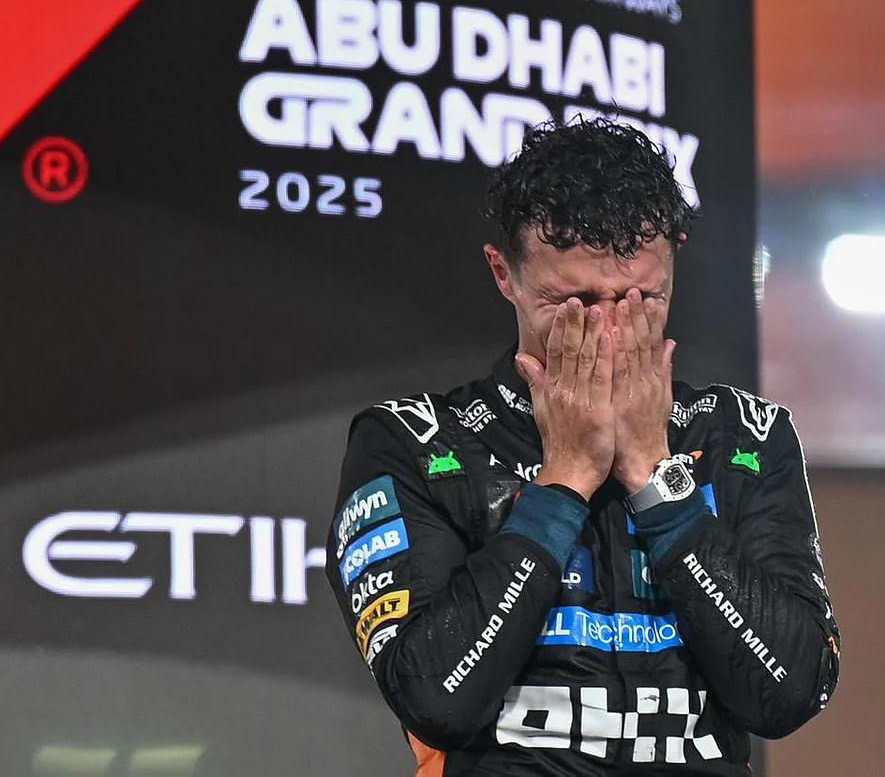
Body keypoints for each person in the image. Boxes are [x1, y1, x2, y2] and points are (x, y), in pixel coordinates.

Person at [324, 117, 840, 776]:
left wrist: (657, 479)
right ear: (503, 273)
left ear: (675, 261)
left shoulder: (746, 434)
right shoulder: (413, 440)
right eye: (573, 302)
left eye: (640, 298)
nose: (609, 330)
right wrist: (564, 480)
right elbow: (435, 698)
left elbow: (789, 692)